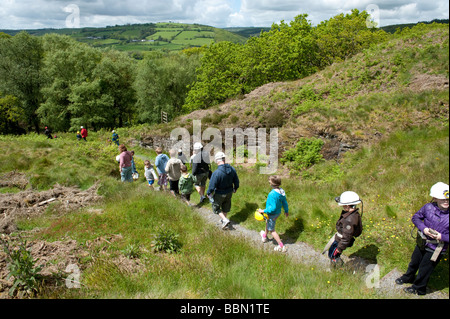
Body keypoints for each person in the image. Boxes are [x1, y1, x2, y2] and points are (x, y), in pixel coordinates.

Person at [395, 182, 449, 296]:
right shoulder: (428, 207)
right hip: (422, 242)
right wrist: (423, 228)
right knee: (414, 262)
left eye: (448, 198)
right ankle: (408, 277)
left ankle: (419, 288)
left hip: (437, 248)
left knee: (425, 268)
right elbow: (416, 217)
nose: (446, 201)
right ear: (435, 198)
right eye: (442, 199)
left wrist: (441, 237)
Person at [326, 191, 363, 266]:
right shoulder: (354, 214)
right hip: (340, 239)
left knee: (332, 255)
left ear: (348, 206)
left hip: (340, 241)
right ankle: (337, 265)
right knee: (332, 253)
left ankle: (338, 269)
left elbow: (347, 236)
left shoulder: (349, 220)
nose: (343, 207)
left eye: (344, 205)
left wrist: (340, 248)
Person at [206, 152, 239, 230]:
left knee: (216, 208)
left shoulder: (216, 173)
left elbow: (212, 185)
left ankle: (224, 219)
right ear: (224, 159)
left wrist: (208, 193)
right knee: (226, 206)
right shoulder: (232, 169)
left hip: (219, 193)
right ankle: (224, 221)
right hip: (229, 192)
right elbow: (236, 180)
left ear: (217, 160)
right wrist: (235, 188)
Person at [259, 175, 289, 252]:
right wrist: (286, 210)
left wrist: (263, 211)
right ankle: (265, 236)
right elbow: (284, 202)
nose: (269, 183)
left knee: (272, 230)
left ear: (272, 183)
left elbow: (272, 208)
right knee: (267, 222)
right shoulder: (281, 191)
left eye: (269, 182)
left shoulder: (272, 194)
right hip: (277, 213)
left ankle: (281, 246)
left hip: (272, 213)